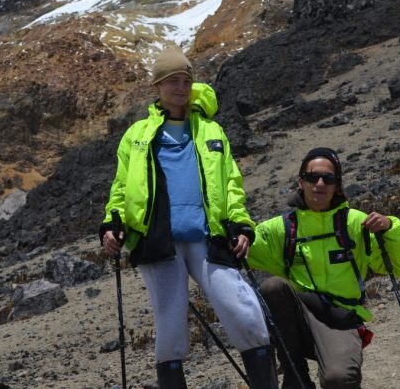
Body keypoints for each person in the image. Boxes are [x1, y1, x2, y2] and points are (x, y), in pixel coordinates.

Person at [99, 46, 277, 389]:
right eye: (171, 81)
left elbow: (231, 185)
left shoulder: (211, 131)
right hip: (158, 240)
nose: (179, 88)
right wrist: (112, 223)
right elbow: (121, 187)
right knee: (170, 325)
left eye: (185, 81)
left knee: (242, 309)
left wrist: (241, 225)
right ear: (157, 86)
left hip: (208, 236)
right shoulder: (136, 136)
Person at [248, 147, 400, 389]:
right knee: (273, 287)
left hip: (341, 319)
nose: (319, 183)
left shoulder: (355, 223)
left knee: (339, 380)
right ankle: (295, 376)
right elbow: (247, 246)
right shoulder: (280, 229)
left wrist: (391, 227)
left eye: (328, 178)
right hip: (299, 319)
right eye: (311, 177)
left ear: (337, 185)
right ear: (300, 181)